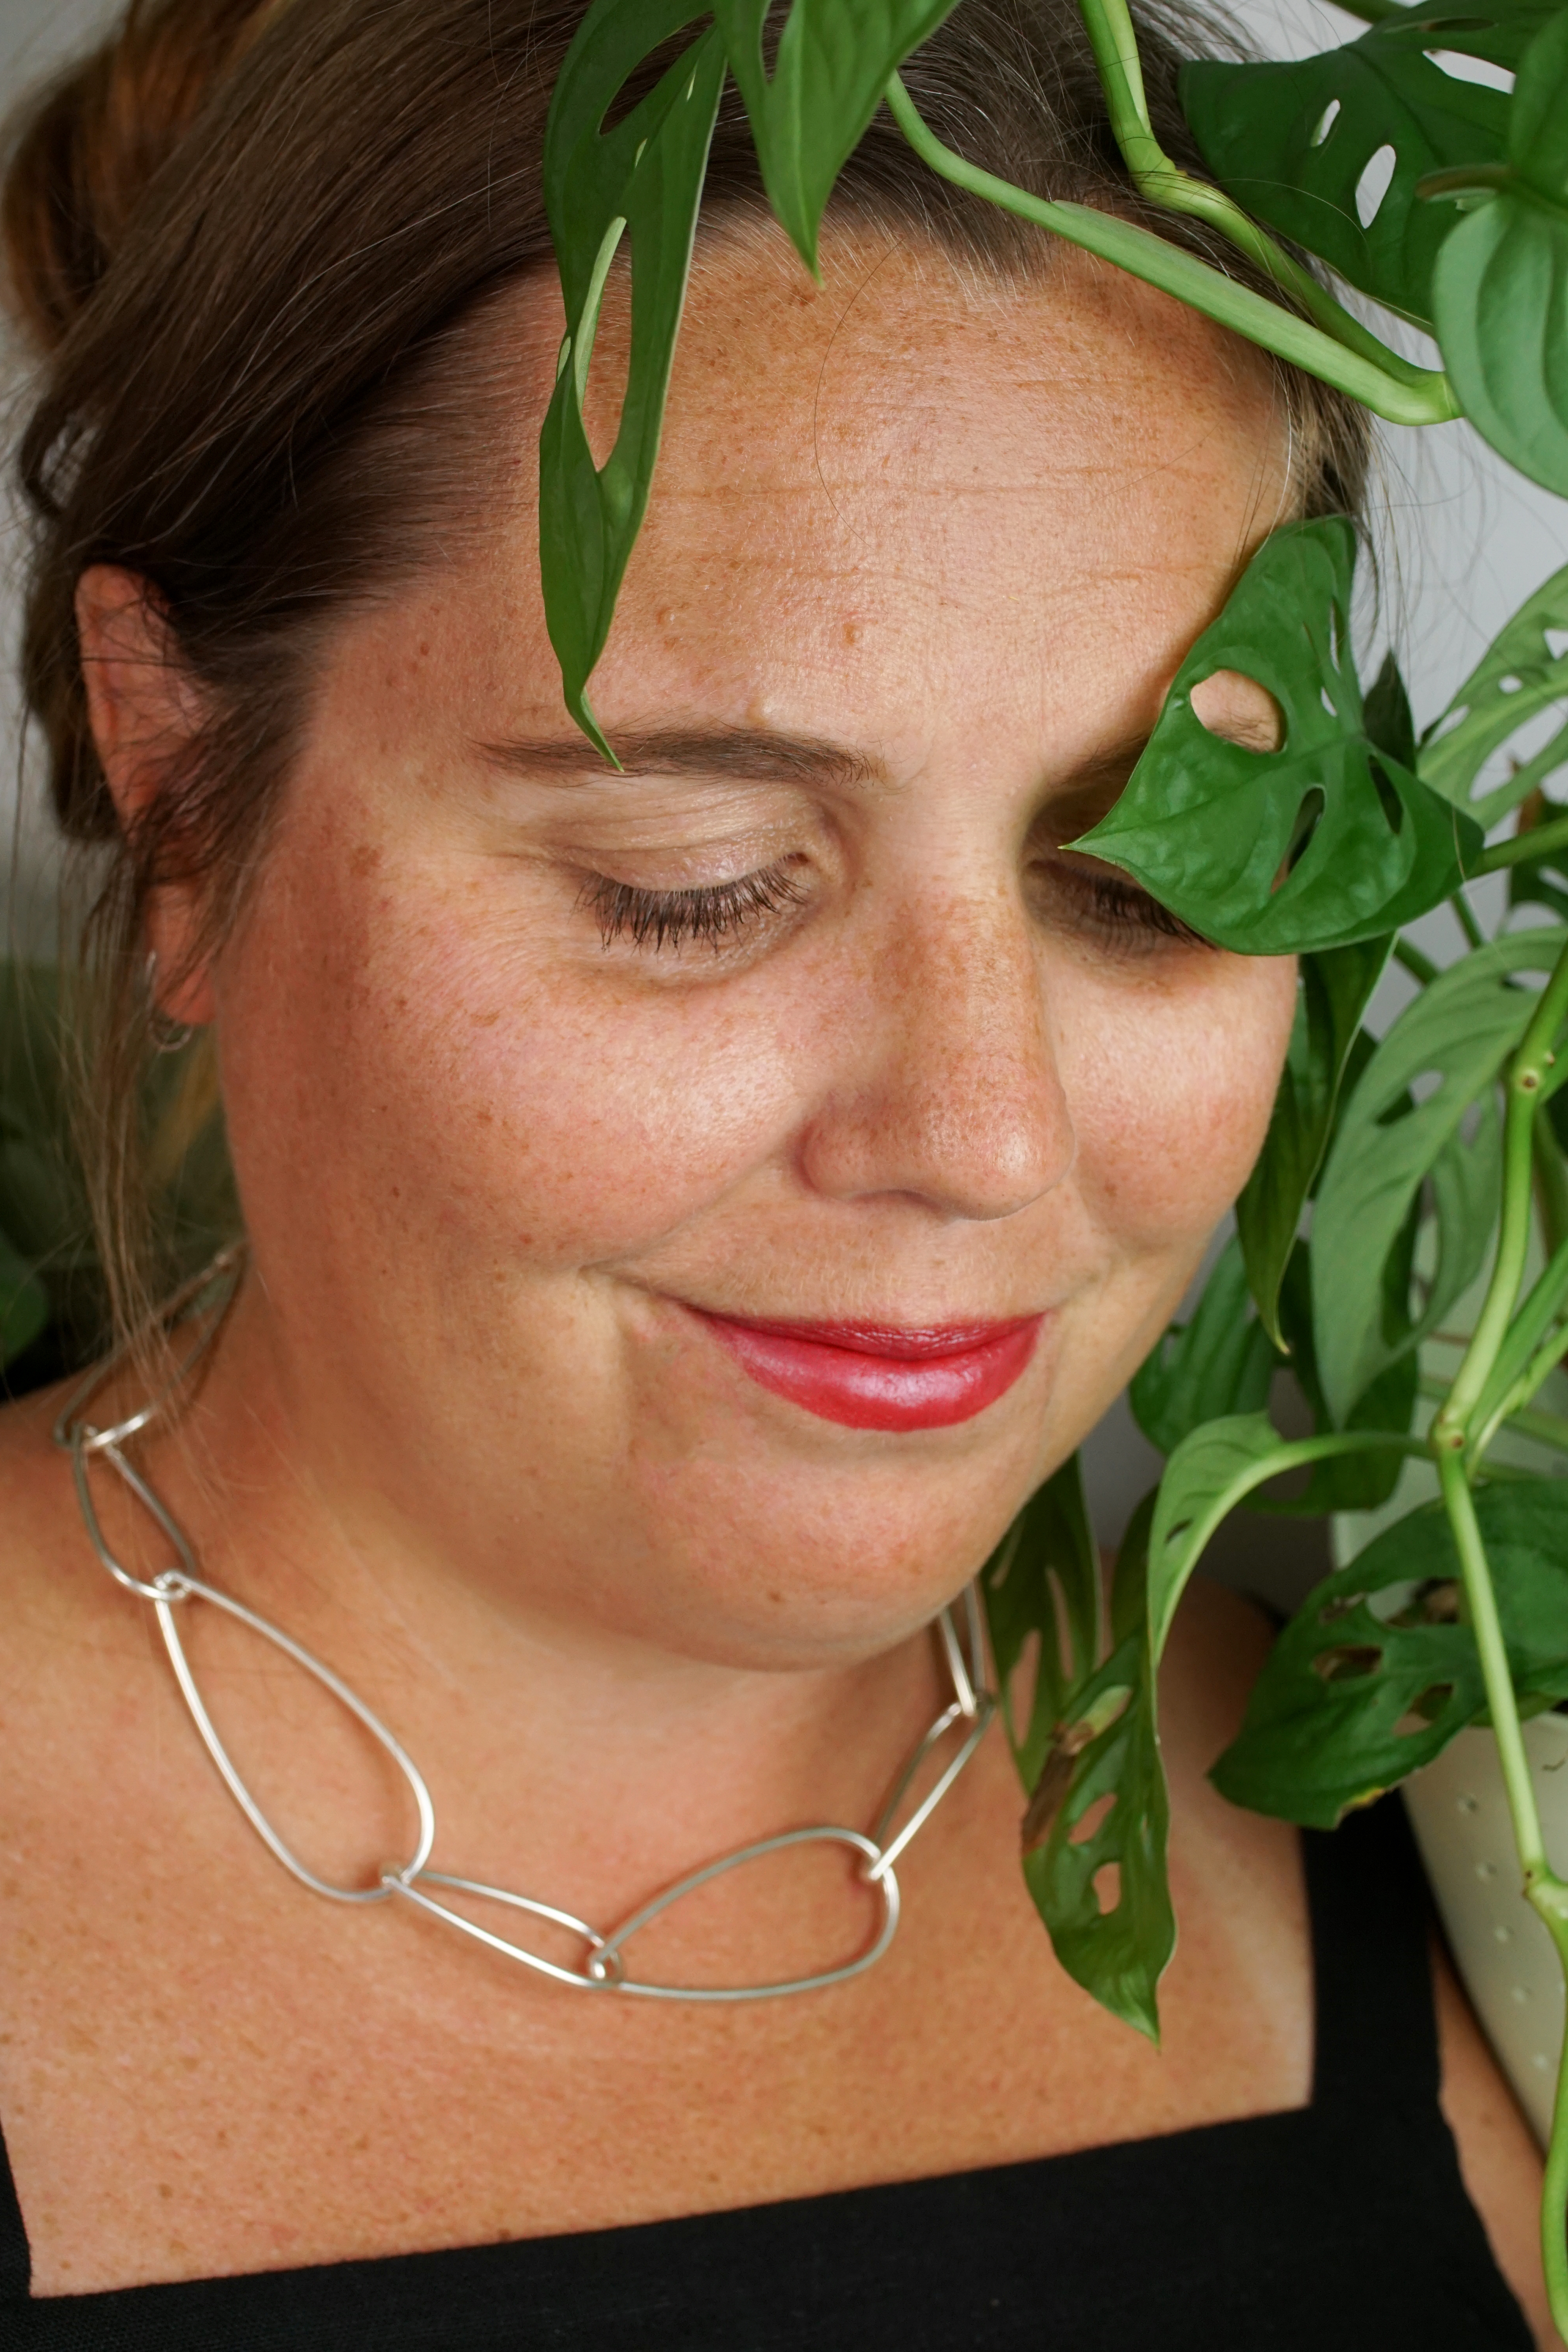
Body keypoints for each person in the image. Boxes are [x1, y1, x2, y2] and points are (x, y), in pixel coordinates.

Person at [0, 0, 1549, 2342]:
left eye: (1160, 883)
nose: (985, 1134)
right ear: (184, 793)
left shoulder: (1463, 1815)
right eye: (695, 881)